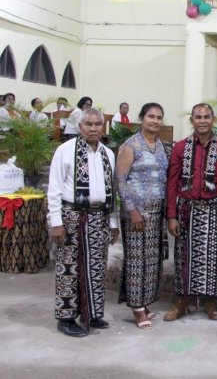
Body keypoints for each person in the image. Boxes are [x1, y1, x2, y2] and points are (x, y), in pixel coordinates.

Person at [47, 108, 118, 337]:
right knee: (69, 268)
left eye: (98, 124)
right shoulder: (65, 151)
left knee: (97, 266)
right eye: (89, 124)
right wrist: (56, 222)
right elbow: (55, 189)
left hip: (100, 217)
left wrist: (114, 222)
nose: (94, 128)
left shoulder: (108, 154)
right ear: (80, 127)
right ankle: (66, 317)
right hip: (72, 216)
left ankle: (92, 312)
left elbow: (112, 192)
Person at [165, 103, 217, 322]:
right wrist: (171, 215)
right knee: (183, 258)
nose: (202, 121)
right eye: (198, 117)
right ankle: (181, 302)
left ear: (214, 120)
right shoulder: (180, 148)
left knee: (213, 259)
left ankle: (211, 302)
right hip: (186, 210)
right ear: (191, 121)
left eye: (207, 117)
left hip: (214, 211)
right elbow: (172, 183)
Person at [115, 103, 169, 330]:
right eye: (150, 117)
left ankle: (145, 303)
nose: (155, 121)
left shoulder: (161, 146)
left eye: (158, 117)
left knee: (152, 261)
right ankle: (137, 309)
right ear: (141, 118)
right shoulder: (131, 145)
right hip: (137, 213)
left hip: (158, 213)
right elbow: (120, 180)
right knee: (137, 260)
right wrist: (132, 210)